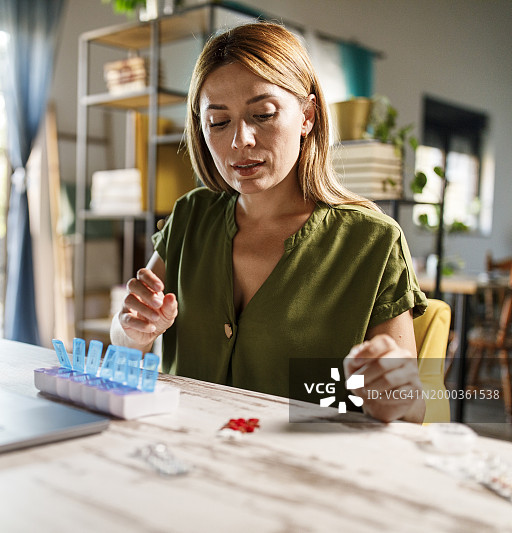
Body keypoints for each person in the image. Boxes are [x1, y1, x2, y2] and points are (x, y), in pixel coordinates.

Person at [110, 22, 428, 423]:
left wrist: (392, 391)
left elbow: (412, 412)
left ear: (308, 116)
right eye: (219, 122)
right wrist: (134, 333)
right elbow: (124, 341)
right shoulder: (191, 216)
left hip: (301, 469)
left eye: (262, 114)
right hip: (181, 458)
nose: (240, 139)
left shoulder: (373, 242)